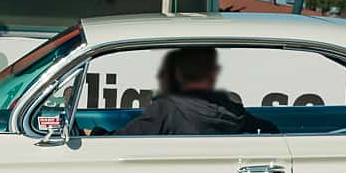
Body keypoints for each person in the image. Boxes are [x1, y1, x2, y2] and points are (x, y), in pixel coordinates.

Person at [109, 47, 278, 136]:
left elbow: (118, 143)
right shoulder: (232, 110)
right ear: (213, 73)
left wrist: (93, 133)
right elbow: (270, 129)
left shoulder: (166, 110)